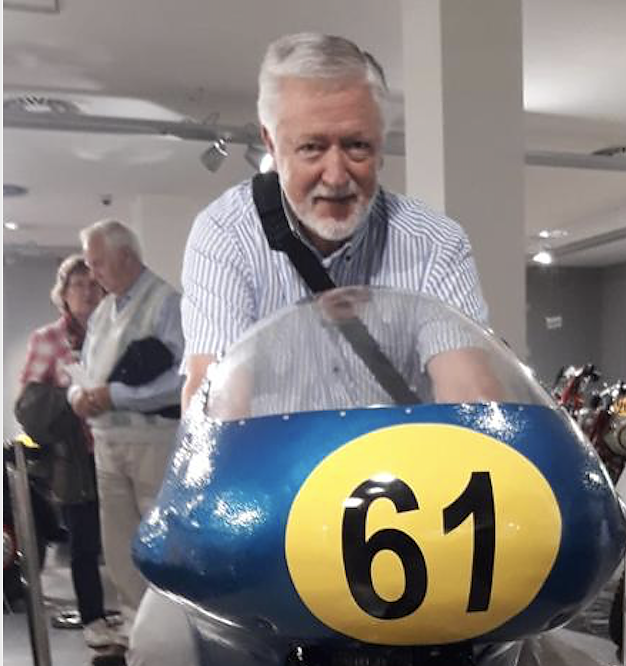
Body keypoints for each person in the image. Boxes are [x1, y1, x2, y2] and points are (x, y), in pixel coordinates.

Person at [130, 33, 518, 666]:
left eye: (357, 146)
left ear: (382, 142)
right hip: (271, 514)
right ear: (269, 139)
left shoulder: (434, 242)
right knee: (161, 642)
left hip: (409, 520)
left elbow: (470, 393)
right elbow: (217, 397)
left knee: (514, 641)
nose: (336, 175)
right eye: (311, 147)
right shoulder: (225, 235)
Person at [68, 220, 184, 652]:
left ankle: (170, 638)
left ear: (126, 257)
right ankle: (137, 635)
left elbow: (182, 379)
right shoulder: (103, 311)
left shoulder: (166, 302)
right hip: (108, 444)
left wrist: (116, 395)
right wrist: (78, 396)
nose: (92, 273)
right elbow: (85, 367)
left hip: (152, 442)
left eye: (98, 263)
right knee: (119, 546)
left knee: (160, 541)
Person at [15, 255, 119, 649]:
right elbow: (29, 404)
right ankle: (93, 619)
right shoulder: (47, 339)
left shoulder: (117, 332)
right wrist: (72, 396)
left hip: (119, 447)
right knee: (84, 544)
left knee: (126, 538)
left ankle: (131, 615)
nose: (88, 292)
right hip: (75, 458)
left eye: (95, 284)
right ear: (64, 293)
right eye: (79, 285)